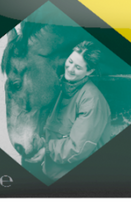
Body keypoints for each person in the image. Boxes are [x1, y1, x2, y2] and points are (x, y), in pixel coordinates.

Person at [27, 40, 111, 181]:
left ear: (89, 71)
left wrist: (46, 149)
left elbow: (77, 148)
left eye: (78, 67)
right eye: (70, 61)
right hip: (50, 173)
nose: (70, 69)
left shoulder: (91, 100)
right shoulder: (62, 88)